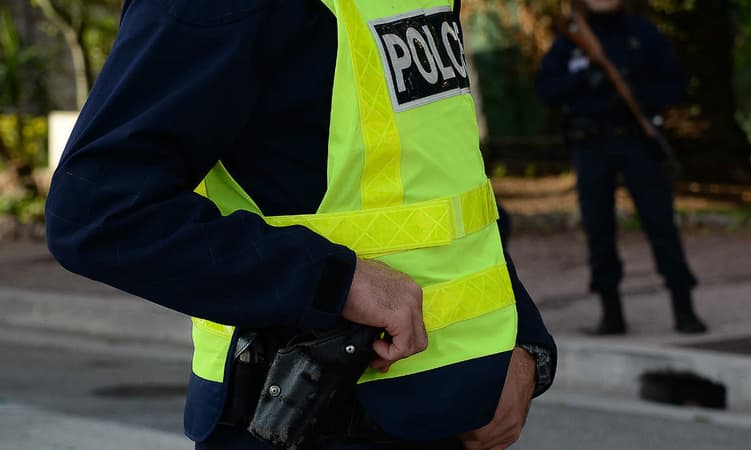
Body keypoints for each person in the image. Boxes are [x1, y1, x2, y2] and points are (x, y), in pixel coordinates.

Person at [45, 0, 557, 449]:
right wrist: (334, 280)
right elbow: (95, 208)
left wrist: (524, 345)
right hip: (307, 416)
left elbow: (444, 183)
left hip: (454, 414)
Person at [535, 0, 707, 335]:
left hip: (635, 142)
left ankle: (684, 307)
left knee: (660, 222)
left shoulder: (642, 34)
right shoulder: (571, 40)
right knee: (598, 228)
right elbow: (547, 89)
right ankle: (610, 312)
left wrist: (632, 90)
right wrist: (585, 79)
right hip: (591, 145)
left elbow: (674, 84)